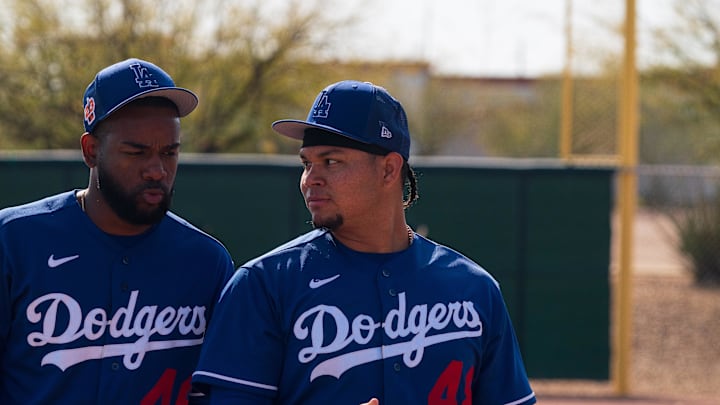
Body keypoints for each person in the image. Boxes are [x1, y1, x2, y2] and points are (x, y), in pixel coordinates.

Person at [191, 80, 536, 405]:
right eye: (306, 163)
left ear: (388, 170)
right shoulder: (264, 286)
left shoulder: (473, 290)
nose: (311, 180)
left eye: (331, 161)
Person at [0, 58, 235, 404]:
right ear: (91, 150)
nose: (156, 170)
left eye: (169, 153)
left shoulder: (207, 261)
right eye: (135, 152)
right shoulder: (14, 240)